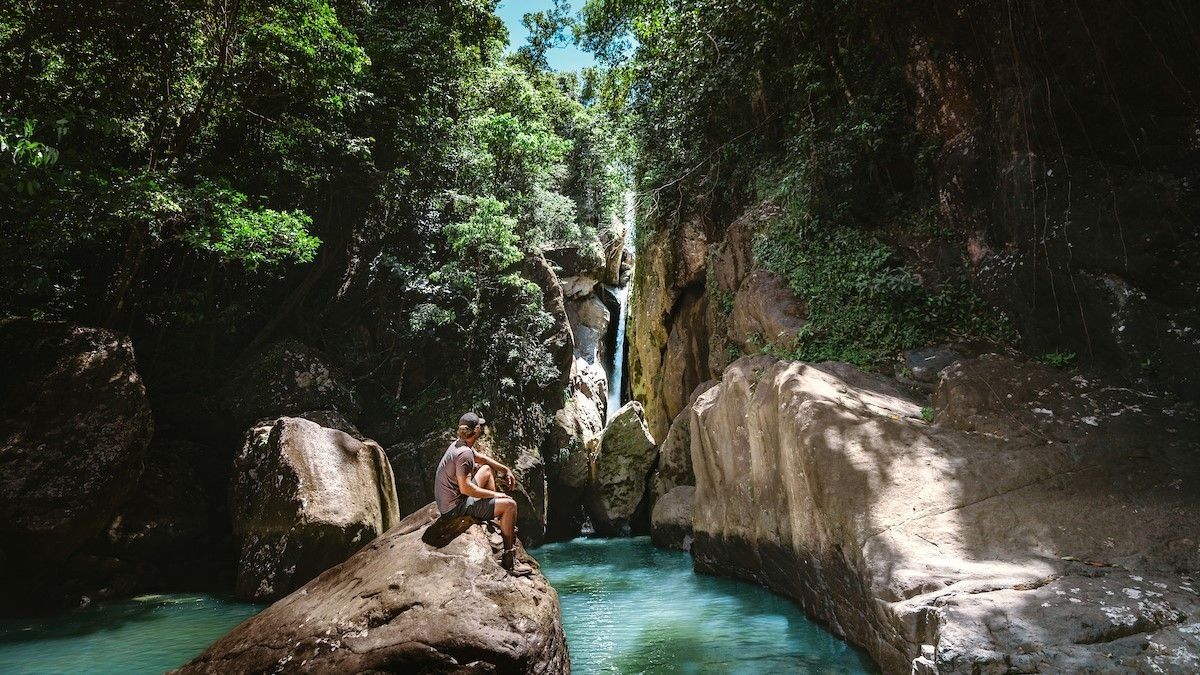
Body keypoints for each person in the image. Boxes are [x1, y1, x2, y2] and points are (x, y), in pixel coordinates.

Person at [433, 411, 531, 576]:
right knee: (510, 505)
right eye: (480, 426)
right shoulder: (464, 455)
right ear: (476, 429)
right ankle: (510, 560)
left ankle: (491, 514)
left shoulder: (460, 445)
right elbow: (466, 489)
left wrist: (505, 469)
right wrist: (495, 496)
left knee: (486, 470)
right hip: (455, 508)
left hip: (453, 499)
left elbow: (481, 459)